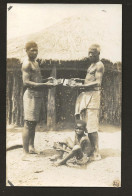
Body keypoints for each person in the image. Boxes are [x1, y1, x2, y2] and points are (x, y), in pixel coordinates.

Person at [22, 41, 56, 159]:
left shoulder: (35, 63)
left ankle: (31, 147)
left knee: (33, 123)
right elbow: (26, 82)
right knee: (28, 124)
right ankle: (25, 153)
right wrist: (45, 85)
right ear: (26, 51)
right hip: (31, 96)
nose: (35, 52)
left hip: (37, 95)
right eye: (32, 50)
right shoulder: (27, 64)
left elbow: (36, 79)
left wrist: (47, 80)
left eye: (36, 50)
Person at [74, 44, 105, 161]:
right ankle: (90, 149)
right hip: (87, 95)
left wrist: (83, 85)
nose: (90, 55)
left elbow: (98, 82)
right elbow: (89, 80)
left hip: (93, 96)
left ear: (98, 54)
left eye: (93, 53)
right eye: (89, 53)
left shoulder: (99, 65)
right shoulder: (92, 65)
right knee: (85, 122)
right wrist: (80, 81)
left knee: (92, 126)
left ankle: (96, 152)